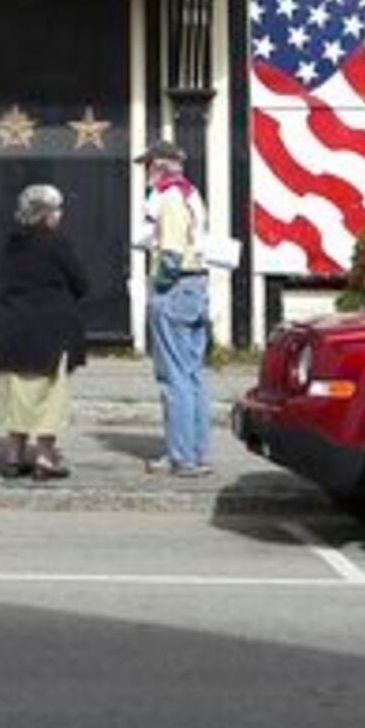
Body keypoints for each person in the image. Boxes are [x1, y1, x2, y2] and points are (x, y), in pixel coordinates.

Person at [0, 182, 93, 482]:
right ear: (47, 213)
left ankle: (14, 456)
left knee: (17, 392)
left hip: (13, 329)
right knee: (50, 394)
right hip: (50, 329)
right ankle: (45, 459)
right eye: (58, 209)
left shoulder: (11, 243)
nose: (61, 215)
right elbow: (81, 282)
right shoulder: (55, 243)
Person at [134, 138, 215, 478]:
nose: (146, 174)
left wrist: (159, 290)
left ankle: (180, 457)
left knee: (173, 377)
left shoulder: (167, 197)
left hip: (176, 285)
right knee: (194, 374)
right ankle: (196, 451)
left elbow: (169, 254)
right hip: (197, 284)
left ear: (157, 166)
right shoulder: (192, 193)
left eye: (148, 167)